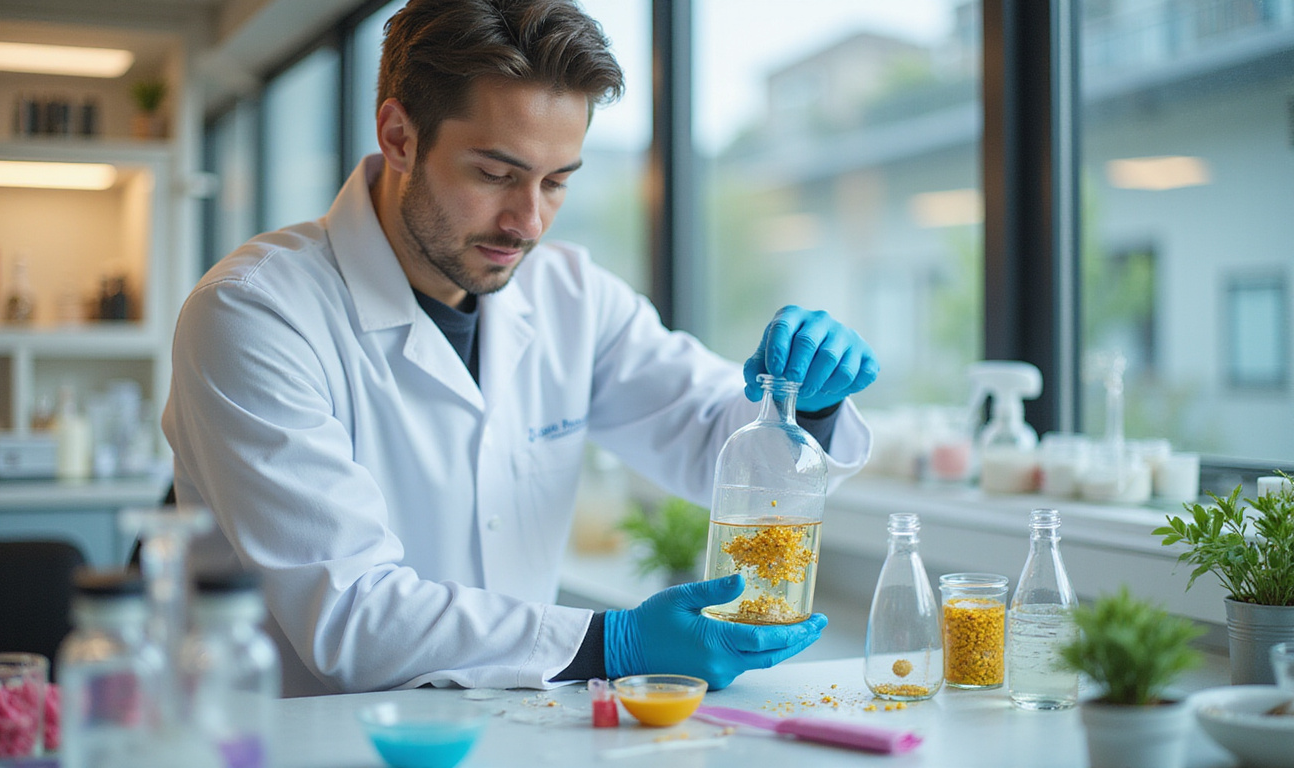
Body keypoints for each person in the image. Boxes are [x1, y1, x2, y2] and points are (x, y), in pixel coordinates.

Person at [164, 0, 879, 698]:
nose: (528, 221)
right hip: (298, 742)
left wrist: (805, 409)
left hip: (510, 733)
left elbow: (711, 445)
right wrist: (614, 644)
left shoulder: (573, 296)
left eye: (557, 180)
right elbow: (350, 615)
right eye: (496, 174)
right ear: (399, 136)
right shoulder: (255, 312)